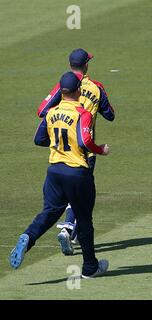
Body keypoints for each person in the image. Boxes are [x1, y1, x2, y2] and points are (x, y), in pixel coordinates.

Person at [9, 72, 110, 278]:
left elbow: (39, 139)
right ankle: (90, 267)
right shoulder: (83, 114)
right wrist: (100, 149)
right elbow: (84, 141)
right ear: (78, 91)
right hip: (77, 173)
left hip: (54, 171)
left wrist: (56, 144)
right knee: (83, 219)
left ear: (62, 92)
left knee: (49, 212)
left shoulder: (51, 112)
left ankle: (28, 236)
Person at [37, 48, 115, 255]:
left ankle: (73, 230)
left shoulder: (63, 86)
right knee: (81, 195)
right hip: (85, 150)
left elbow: (42, 111)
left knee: (69, 194)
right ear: (87, 65)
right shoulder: (96, 88)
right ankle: (69, 228)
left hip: (61, 152)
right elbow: (111, 115)